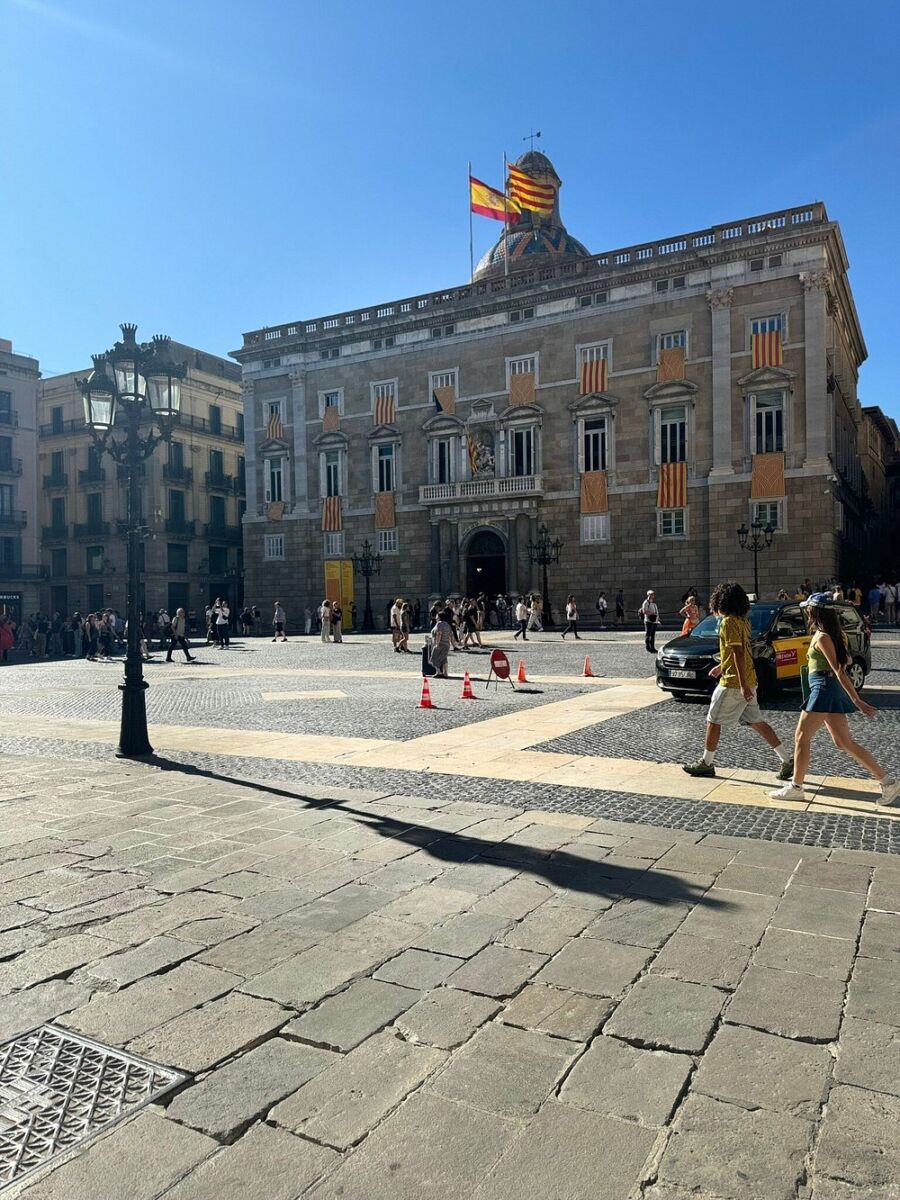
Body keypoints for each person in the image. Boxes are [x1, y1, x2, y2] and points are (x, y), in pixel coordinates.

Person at [771, 593, 899, 805]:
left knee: (801, 736)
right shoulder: (832, 634)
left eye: (808, 609)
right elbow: (844, 663)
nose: (805, 612)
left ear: (814, 611)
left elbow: (839, 670)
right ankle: (888, 782)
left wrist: (857, 701)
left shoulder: (822, 637)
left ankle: (796, 786)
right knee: (843, 742)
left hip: (824, 688)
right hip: (826, 687)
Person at [683, 581, 794, 781]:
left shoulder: (728, 622)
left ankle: (706, 763)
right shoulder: (743, 620)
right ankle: (787, 760)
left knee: (713, 720)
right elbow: (737, 652)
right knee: (757, 722)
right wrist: (722, 667)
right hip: (749, 679)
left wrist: (741, 684)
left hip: (734, 683)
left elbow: (738, 653)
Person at [429, 607, 452, 678]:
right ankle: (445, 673)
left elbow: (439, 633)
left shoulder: (439, 624)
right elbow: (450, 635)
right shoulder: (447, 624)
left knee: (433, 658)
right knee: (444, 659)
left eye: (437, 616)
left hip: (440, 644)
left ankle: (439, 672)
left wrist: (437, 643)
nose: (436, 617)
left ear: (439, 617)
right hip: (446, 644)